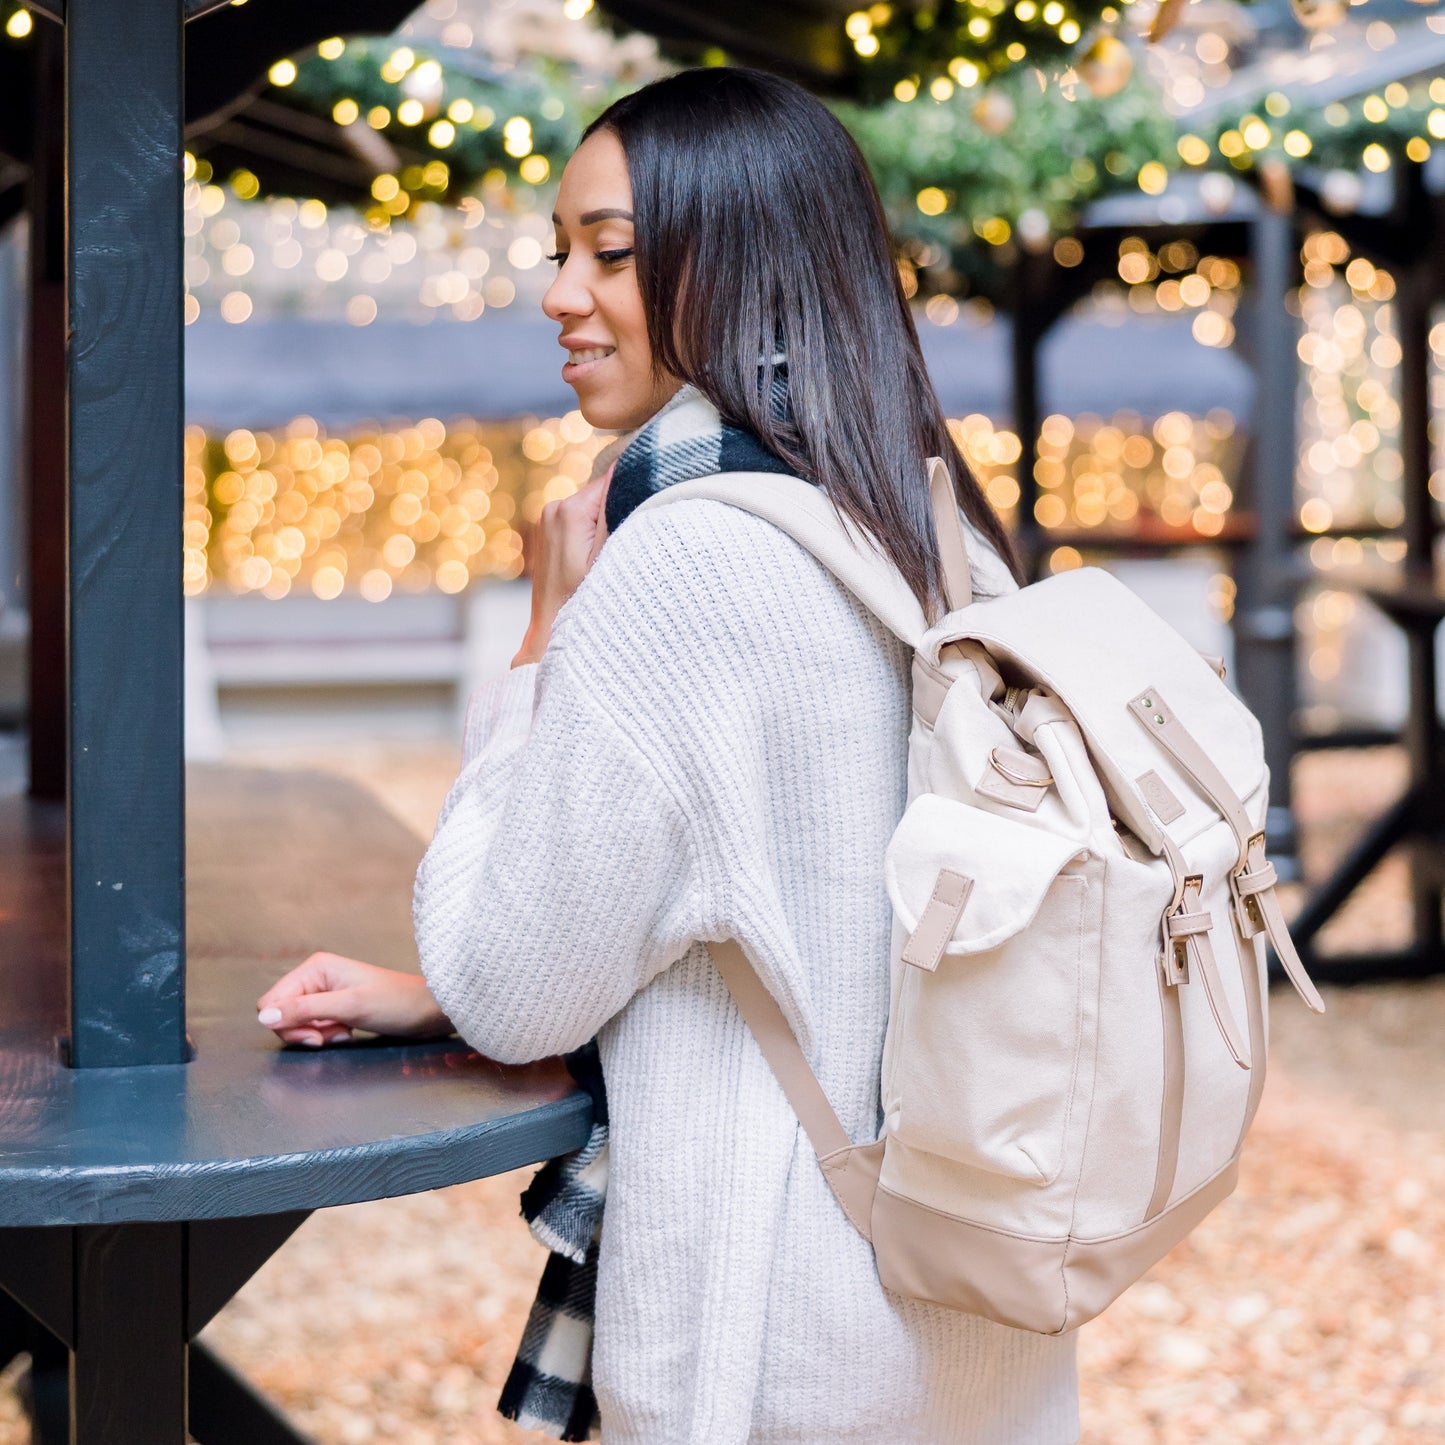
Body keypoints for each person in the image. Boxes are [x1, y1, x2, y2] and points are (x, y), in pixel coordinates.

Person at [257, 67, 1080, 1444]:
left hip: (781, 1346)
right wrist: (428, 996)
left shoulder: (686, 562)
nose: (560, 292)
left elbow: (516, 983)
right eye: (559, 250)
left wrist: (536, 644)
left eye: (612, 253)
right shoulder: (931, 528)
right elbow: (784, 915)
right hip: (974, 1309)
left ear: (740, 264)